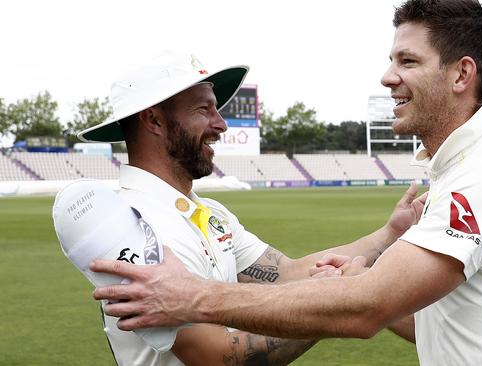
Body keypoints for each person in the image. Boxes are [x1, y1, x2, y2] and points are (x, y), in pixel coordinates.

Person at [91, 1, 482, 364]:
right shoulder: (132, 222)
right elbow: (431, 320)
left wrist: (193, 297)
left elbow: (365, 306)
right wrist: (363, 274)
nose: (387, 77)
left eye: (407, 61)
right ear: (153, 121)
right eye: (205, 109)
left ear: (462, 75)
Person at [77, 51, 426, 365]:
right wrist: (337, 304)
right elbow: (219, 357)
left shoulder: (207, 212)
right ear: (153, 121)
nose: (221, 124)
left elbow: (285, 273)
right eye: (204, 109)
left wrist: (390, 234)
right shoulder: (136, 230)